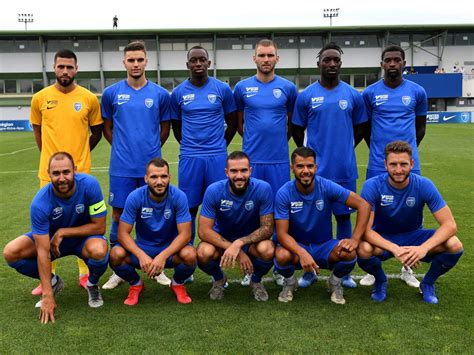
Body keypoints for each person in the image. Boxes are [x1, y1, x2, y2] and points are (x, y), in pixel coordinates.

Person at [292, 42, 367, 289]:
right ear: (319, 64)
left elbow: (360, 128)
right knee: (314, 220)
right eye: (327, 60)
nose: (332, 64)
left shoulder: (353, 95)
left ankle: (343, 270)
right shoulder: (306, 96)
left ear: (341, 64)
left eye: (336, 60)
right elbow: (296, 129)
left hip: (344, 168)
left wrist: (344, 149)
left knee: (344, 217)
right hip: (316, 172)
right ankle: (311, 268)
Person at [29, 48, 103, 295]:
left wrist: (78, 158)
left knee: (83, 222)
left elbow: (97, 133)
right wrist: (52, 165)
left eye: (70, 67)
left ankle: (85, 275)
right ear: (54, 68)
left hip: (81, 174)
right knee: (48, 227)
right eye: (61, 66)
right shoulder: (40, 98)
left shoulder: (89, 99)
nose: (65, 71)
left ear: (76, 69)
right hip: (48, 175)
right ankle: (48, 277)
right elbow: (38, 132)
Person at [3, 152, 108, 324]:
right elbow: (43, 251)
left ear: (74, 170)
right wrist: (47, 295)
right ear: (48, 174)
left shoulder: (90, 185)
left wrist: (63, 232)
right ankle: (53, 282)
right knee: (11, 252)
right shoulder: (40, 203)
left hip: (83, 239)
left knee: (100, 250)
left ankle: (92, 284)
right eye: (56, 173)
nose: (62, 178)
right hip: (50, 243)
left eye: (66, 172)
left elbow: (100, 226)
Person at [101, 40, 172, 289]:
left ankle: (156, 264)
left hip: (151, 170)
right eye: (131, 60)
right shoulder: (111, 94)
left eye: (139, 59)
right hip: (121, 167)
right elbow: (107, 128)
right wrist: (122, 147)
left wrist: (149, 151)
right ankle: (120, 269)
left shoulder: (160, 95)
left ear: (146, 62)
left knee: (154, 215)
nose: (135, 64)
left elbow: (165, 129)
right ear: (124, 63)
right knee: (119, 214)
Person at [358, 141, 463, 303]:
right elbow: (364, 229)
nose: (398, 170)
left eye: (403, 164)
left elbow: (450, 225)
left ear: (412, 164)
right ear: (385, 164)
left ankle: (427, 283)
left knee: (454, 245)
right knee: (363, 248)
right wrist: (395, 249)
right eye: (393, 164)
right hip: (384, 237)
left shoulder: (424, 184)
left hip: (415, 236)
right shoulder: (372, 185)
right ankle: (380, 279)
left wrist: (423, 248)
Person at [233, 38, 298, 287]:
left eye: (270, 55)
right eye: (262, 55)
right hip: (253, 161)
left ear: (277, 59)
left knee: (281, 213)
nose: (266, 59)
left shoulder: (288, 88)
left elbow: (292, 123)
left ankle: (281, 268)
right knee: (251, 212)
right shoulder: (242, 88)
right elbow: (239, 123)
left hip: (279, 161)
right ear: (254, 59)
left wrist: (279, 143)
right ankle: (251, 265)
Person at [361, 44, 428, 287]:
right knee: (373, 215)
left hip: (409, 165)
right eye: (387, 60)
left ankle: (407, 266)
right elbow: (366, 128)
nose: (392, 64)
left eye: (396, 60)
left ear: (403, 63)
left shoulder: (417, 92)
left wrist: (406, 157)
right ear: (382, 64)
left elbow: (420, 128)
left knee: (412, 214)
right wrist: (381, 153)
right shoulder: (369, 93)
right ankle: (372, 267)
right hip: (378, 164)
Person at [274, 147, 371, 304]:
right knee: (281, 255)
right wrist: (301, 252)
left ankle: (334, 282)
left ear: (316, 168)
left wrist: (355, 239)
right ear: (292, 168)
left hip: (324, 245)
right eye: (300, 166)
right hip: (297, 246)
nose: (305, 171)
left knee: (349, 253)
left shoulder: (326, 186)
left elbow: (363, 205)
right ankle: (290, 282)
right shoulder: (284, 193)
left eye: (310, 166)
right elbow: (282, 234)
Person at [170, 45, 237, 248]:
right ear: (187, 64)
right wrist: (192, 146)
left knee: (219, 206)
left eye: (202, 60)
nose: (198, 63)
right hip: (190, 157)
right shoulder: (179, 92)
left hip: (217, 156)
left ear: (209, 63)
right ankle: (187, 252)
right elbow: (177, 127)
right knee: (189, 207)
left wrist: (219, 144)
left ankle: (219, 250)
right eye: (194, 60)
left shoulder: (222, 89)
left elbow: (232, 122)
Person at [109, 158, 196, 305]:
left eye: (163, 176)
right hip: (143, 248)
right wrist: (141, 255)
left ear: (169, 177)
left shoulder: (179, 196)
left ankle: (177, 283)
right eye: (154, 177)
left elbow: (185, 234)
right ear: (146, 178)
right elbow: (123, 233)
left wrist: (162, 256)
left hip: (169, 250)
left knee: (190, 254)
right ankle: (136, 284)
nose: (159, 181)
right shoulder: (135, 196)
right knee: (115, 255)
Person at [197, 151, 275, 301]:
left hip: (251, 243)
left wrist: (239, 244)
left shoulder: (263, 188)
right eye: (234, 171)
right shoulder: (214, 190)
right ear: (226, 172)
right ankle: (219, 279)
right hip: (223, 242)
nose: (239, 175)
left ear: (250, 171)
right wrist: (236, 250)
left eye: (243, 170)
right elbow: (204, 231)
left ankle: (256, 281)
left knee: (268, 249)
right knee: (203, 252)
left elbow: (267, 229)